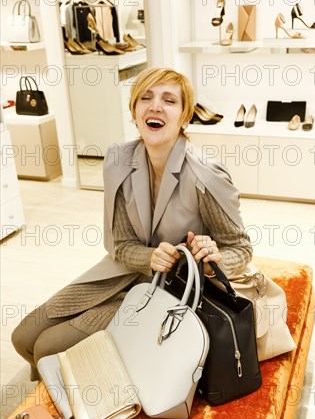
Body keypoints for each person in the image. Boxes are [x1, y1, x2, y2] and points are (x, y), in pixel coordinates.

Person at [12, 67, 253, 381]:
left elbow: (241, 248)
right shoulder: (118, 161)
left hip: (173, 290)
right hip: (120, 273)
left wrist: (211, 261)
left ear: (185, 116)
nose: (155, 106)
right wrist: (148, 258)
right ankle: (60, 384)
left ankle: (75, 392)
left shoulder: (206, 175)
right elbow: (121, 244)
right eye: (146, 98)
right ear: (134, 110)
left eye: (169, 100)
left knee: (47, 347)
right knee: (22, 338)